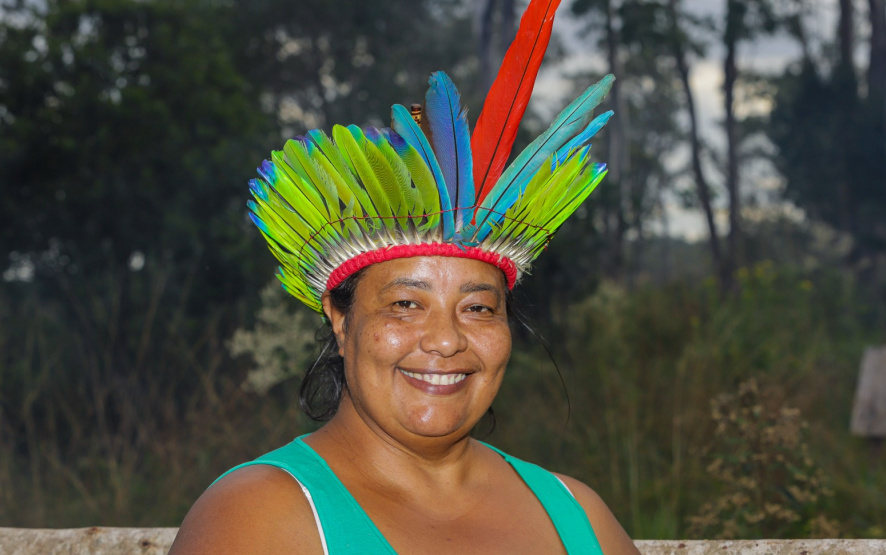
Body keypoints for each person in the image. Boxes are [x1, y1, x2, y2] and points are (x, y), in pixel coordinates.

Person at [170, 0, 639, 552]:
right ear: (341, 322)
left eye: (478, 308)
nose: (446, 340)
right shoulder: (260, 516)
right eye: (405, 304)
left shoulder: (576, 514)